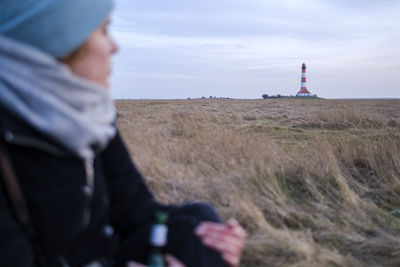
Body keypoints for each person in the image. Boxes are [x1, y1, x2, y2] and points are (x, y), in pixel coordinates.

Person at [0, 0, 247, 267]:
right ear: (60, 41)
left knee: (199, 224)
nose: (115, 48)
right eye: (104, 31)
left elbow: (137, 213)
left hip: (104, 255)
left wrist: (218, 237)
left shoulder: (90, 121)